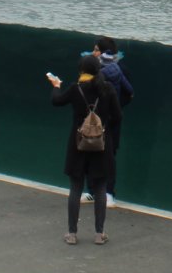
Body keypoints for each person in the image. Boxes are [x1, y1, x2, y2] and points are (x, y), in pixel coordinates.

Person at [48, 53, 121, 245]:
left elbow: (56, 101)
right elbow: (118, 116)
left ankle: (72, 233)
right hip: (101, 146)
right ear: (98, 69)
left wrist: (56, 86)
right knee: (100, 188)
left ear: (81, 70)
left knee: (76, 188)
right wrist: (102, 127)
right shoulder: (108, 89)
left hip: (78, 145)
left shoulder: (76, 88)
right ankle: (99, 234)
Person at [86, 38, 134, 206]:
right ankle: (91, 191)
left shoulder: (120, 69)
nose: (93, 53)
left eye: (96, 50)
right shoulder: (92, 68)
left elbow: (129, 94)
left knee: (109, 156)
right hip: (95, 119)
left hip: (110, 121)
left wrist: (114, 108)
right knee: (91, 153)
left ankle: (108, 192)